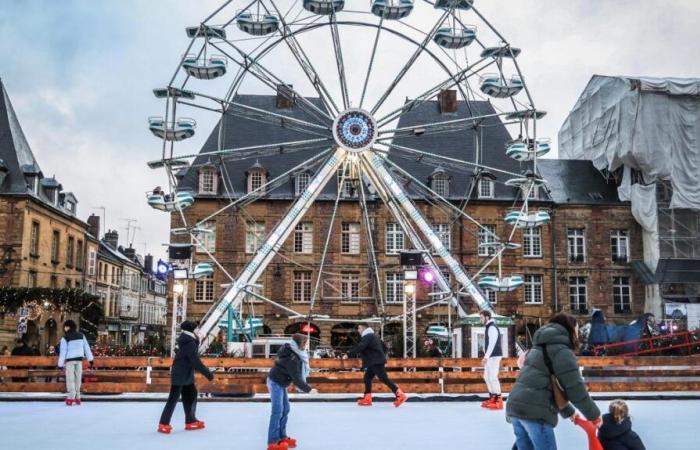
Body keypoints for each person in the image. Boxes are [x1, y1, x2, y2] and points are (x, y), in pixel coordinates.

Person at [506, 313, 601, 450]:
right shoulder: (562, 352)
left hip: (516, 408)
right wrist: (594, 415)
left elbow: (549, 387)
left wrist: (569, 412)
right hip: (535, 414)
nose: (577, 334)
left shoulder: (536, 349)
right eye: (576, 329)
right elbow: (575, 389)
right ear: (569, 329)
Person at [158, 321, 214, 434]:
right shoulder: (189, 343)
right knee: (173, 398)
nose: (198, 330)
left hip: (186, 373)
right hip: (180, 374)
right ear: (191, 330)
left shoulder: (188, 340)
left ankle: (191, 420)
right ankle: (163, 423)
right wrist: (209, 374)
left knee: (192, 394)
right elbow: (196, 362)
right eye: (197, 328)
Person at [266, 333, 318, 450]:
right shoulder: (292, 357)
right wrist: (309, 389)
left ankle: (282, 437)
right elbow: (297, 378)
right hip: (275, 382)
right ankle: (272, 442)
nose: (306, 345)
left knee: (285, 409)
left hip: (281, 382)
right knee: (277, 411)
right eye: (304, 343)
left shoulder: (295, 352)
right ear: (297, 343)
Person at [348, 322, 406, 408]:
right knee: (367, 378)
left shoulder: (367, 336)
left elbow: (361, 346)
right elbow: (385, 348)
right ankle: (367, 398)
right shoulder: (375, 336)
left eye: (359, 328)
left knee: (383, 378)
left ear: (364, 329)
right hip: (373, 361)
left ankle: (400, 395)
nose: (358, 330)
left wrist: (348, 354)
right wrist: (379, 354)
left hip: (375, 361)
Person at [57, 320, 94, 406]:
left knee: (70, 379)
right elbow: (86, 348)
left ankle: (71, 398)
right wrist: (90, 359)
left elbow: (63, 352)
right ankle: (78, 397)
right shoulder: (81, 336)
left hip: (70, 360)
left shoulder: (65, 338)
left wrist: (60, 364)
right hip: (79, 360)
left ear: (68, 327)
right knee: (78, 378)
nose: (64, 328)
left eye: (65, 326)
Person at [480, 309, 504, 410]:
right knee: (486, 376)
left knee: (493, 377)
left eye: (481, 317)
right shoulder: (488, 327)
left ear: (487, 317)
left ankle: (499, 400)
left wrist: (486, 357)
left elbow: (492, 343)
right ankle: (493, 397)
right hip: (491, 356)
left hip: (494, 356)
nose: (480, 319)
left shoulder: (492, 327)